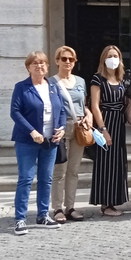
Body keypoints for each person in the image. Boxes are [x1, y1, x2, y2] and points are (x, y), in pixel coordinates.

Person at [11, 51, 66, 235]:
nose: (39, 66)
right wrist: (32, 131)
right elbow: (15, 112)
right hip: (27, 140)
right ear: (28, 67)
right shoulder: (21, 87)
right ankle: (20, 219)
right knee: (26, 179)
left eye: (42, 63)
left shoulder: (53, 86)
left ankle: (43, 215)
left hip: (51, 141)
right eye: (34, 63)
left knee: (46, 179)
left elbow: (62, 111)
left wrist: (62, 128)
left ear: (47, 66)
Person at [50, 46, 92, 223]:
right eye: (64, 58)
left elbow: (84, 105)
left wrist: (88, 116)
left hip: (79, 127)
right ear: (57, 61)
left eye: (71, 59)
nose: (68, 62)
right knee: (60, 170)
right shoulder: (51, 82)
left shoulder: (81, 81)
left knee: (74, 170)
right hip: (61, 127)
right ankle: (57, 208)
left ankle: (70, 206)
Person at [89, 45, 129, 216]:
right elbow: (95, 106)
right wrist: (103, 129)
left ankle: (114, 200)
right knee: (106, 163)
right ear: (103, 59)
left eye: (116, 55)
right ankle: (105, 203)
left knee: (118, 163)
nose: (113, 58)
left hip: (119, 124)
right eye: (110, 55)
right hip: (106, 122)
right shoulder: (98, 79)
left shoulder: (121, 80)